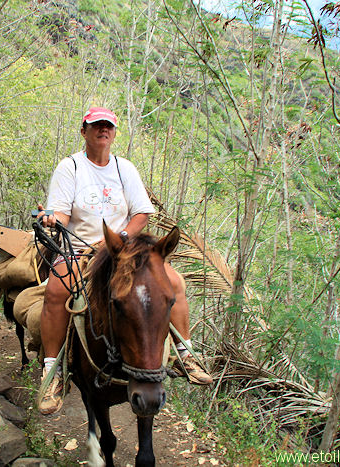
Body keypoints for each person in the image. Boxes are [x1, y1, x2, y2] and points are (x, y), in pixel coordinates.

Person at [36, 106, 212, 415]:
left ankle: (185, 352)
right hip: (81, 248)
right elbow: (62, 211)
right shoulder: (71, 167)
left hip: (124, 249)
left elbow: (141, 213)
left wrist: (120, 236)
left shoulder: (124, 168)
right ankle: (54, 372)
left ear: (114, 133)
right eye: (96, 126)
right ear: (84, 131)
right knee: (56, 290)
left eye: (108, 127)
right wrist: (51, 219)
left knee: (174, 282)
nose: (103, 131)